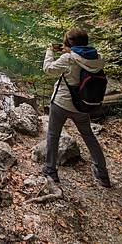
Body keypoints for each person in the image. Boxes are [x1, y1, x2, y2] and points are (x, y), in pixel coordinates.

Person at [42, 28, 111, 187]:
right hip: (82, 105)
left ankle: (51, 170)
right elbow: (82, 61)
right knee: (89, 136)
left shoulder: (69, 58)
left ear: (68, 43)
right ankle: (102, 174)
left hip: (62, 104)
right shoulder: (98, 58)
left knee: (53, 135)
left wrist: (49, 51)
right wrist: (70, 51)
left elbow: (48, 69)